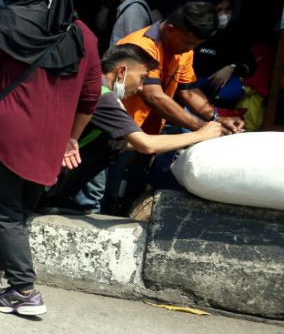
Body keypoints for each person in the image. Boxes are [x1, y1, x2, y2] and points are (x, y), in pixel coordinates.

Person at [0, 0, 102, 317]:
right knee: (17, 211)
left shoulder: (11, 18)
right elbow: (91, 98)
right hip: (52, 141)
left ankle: (24, 290)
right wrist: (71, 139)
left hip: (5, 132)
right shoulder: (85, 35)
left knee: (5, 214)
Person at [40, 44, 225, 214]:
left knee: (114, 144)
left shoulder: (91, 86)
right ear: (121, 71)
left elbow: (127, 144)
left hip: (41, 172)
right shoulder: (103, 97)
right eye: (142, 78)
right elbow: (146, 144)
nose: (141, 87)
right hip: (44, 179)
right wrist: (201, 134)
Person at [108, 2, 245, 210]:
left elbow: (188, 91)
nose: (190, 49)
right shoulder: (141, 46)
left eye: (195, 46)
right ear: (171, 29)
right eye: (188, 43)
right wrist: (201, 128)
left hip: (151, 134)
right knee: (106, 192)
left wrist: (216, 118)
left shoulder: (183, 49)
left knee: (133, 192)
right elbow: (153, 96)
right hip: (121, 132)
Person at [192, 0, 256, 109]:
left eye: (228, 10)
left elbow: (251, 66)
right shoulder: (195, 32)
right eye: (219, 10)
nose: (224, 14)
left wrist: (232, 67)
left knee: (232, 91)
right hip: (192, 82)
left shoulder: (236, 35)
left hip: (222, 86)